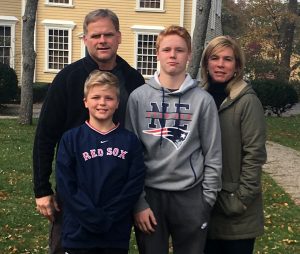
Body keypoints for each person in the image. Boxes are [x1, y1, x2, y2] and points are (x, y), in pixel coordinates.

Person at [33, 9, 145, 254]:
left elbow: (142, 139)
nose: (102, 40)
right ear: (85, 39)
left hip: (116, 195)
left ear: (119, 37)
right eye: (95, 36)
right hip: (74, 193)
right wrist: (42, 189)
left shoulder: (134, 80)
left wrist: (137, 199)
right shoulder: (66, 79)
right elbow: (45, 135)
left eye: (108, 34)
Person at [125, 25, 222, 254]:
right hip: (150, 195)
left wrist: (206, 200)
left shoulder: (203, 101)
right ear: (157, 53)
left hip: (190, 195)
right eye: (166, 49)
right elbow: (131, 155)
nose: (172, 55)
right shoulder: (138, 98)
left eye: (179, 50)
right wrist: (138, 202)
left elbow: (213, 153)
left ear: (189, 54)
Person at [55, 70, 145, 254]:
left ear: (118, 103)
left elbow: (133, 185)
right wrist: (91, 217)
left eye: (109, 98)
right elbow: (66, 185)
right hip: (78, 233)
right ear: (85, 101)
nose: (102, 103)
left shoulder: (130, 141)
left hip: (114, 234)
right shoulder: (71, 139)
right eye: (96, 97)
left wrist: (108, 217)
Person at [201, 36, 267, 254]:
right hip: (203, 206)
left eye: (227, 59)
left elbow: (254, 154)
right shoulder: (198, 98)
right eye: (215, 58)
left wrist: (240, 200)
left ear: (237, 65)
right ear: (206, 63)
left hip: (236, 213)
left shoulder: (247, 101)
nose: (220, 64)